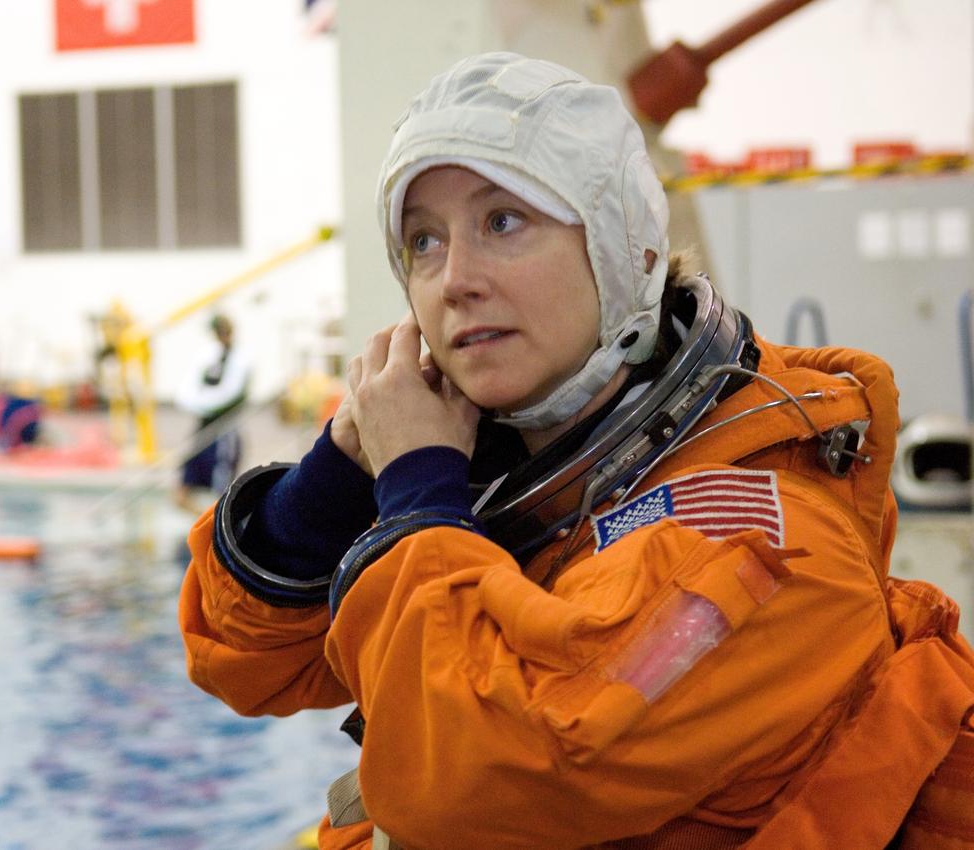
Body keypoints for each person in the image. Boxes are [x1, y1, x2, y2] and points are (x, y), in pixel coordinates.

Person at [178, 53, 974, 849]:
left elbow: (473, 785)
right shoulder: (529, 484)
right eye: (423, 240)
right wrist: (339, 475)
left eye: (503, 222)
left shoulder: (770, 546)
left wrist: (418, 493)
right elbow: (243, 663)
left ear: (627, 254)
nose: (453, 279)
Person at [174, 314, 250, 513]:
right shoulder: (209, 358)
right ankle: (207, 527)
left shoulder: (239, 361)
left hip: (224, 431)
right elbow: (190, 390)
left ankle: (215, 527)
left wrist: (204, 403)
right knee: (181, 493)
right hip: (203, 428)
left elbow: (230, 395)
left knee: (221, 495)